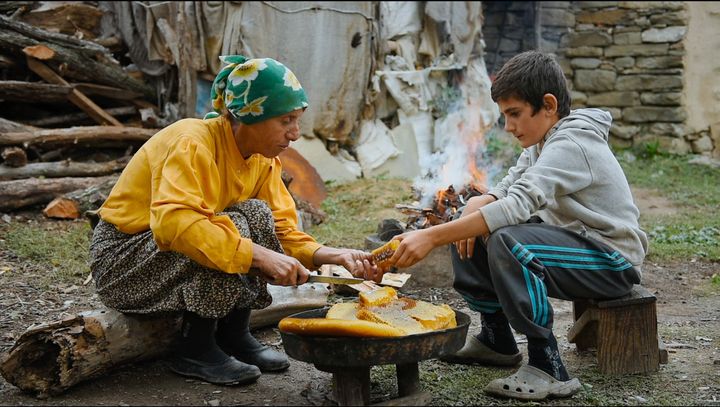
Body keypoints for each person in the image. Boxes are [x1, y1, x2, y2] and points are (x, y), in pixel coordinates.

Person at [89, 55, 380, 386]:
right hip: (121, 263)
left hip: (160, 260)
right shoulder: (192, 140)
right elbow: (175, 224)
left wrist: (332, 255)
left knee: (254, 214)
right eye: (286, 120)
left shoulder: (262, 159)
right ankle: (194, 348)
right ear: (250, 116)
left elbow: (283, 228)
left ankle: (232, 333)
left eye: (297, 120)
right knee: (230, 227)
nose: (295, 133)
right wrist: (259, 255)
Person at [381, 50, 647, 401]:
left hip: (614, 261)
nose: (508, 126)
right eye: (505, 115)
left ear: (548, 105)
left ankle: (547, 365)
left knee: (508, 240)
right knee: (473, 223)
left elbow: (520, 203)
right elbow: (509, 187)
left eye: (515, 114)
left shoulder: (573, 143)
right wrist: (480, 200)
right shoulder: (542, 141)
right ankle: (497, 340)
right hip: (580, 248)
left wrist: (429, 236)